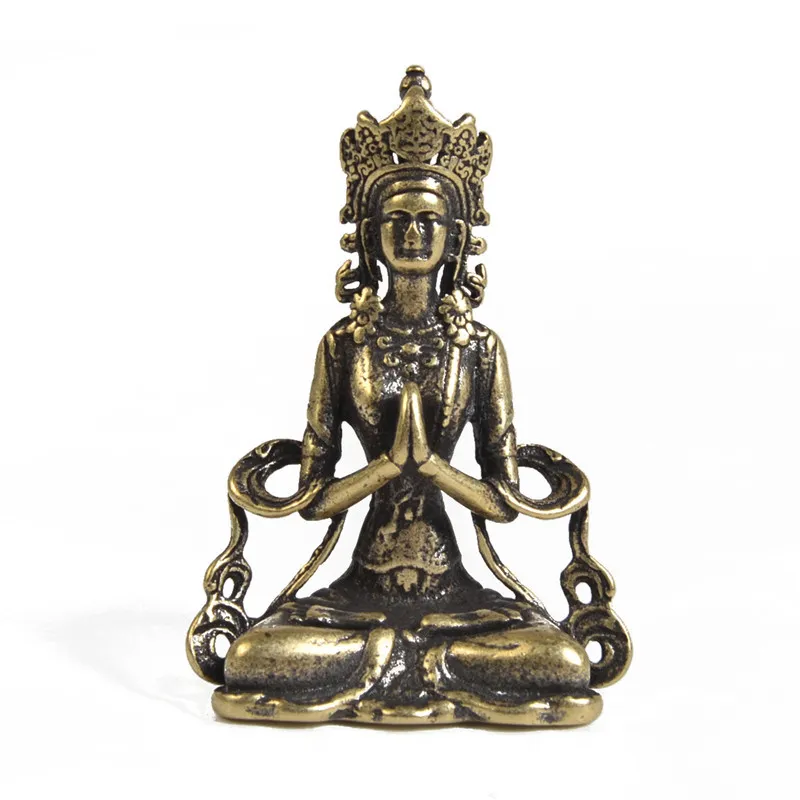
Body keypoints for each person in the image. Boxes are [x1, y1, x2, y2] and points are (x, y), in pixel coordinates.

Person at [190, 68, 629, 726]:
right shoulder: (343, 345)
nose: (415, 234)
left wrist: (433, 468)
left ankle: (402, 664)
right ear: (370, 234)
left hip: (456, 595)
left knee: (558, 659)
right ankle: (422, 667)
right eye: (398, 219)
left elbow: (503, 504)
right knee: (259, 654)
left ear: (457, 236)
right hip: (356, 594)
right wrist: (387, 467)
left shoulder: (478, 348)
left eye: (430, 220)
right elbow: (313, 501)